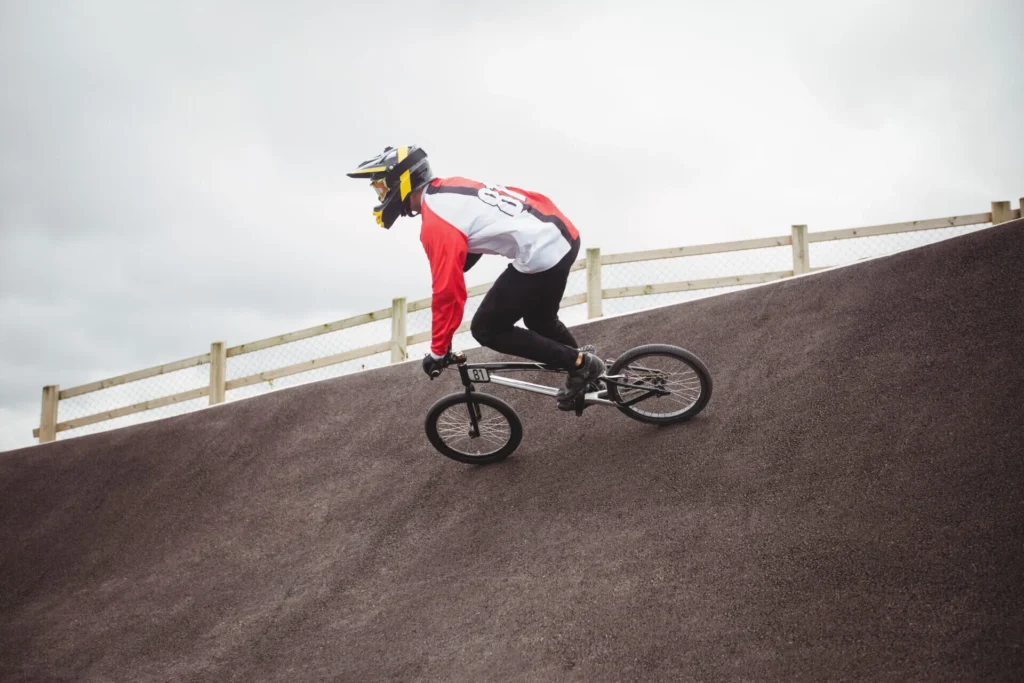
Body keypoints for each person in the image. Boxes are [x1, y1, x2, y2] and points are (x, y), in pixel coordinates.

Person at [346, 145, 605, 404]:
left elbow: (447, 293)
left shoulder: (436, 223)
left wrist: (438, 351)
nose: (381, 196)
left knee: (487, 329)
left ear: (401, 182)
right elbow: (482, 225)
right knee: (540, 320)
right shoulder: (449, 187)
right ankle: (586, 368)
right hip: (561, 234)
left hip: (543, 252)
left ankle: (580, 365)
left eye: (381, 188)